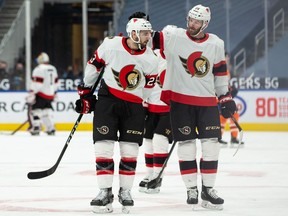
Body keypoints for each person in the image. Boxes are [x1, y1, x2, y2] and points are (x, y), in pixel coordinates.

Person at [151, 4, 237, 210]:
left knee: (211, 146)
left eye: (197, 21)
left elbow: (219, 73)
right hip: (181, 103)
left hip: (207, 103)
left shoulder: (216, 43)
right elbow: (149, 39)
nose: (192, 24)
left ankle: (208, 189)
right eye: (190, 20)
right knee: (186, 145)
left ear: (205, 24)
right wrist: (137, 29)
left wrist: (224, 96)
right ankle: (191, 189)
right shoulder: (174, 36)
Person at [74, 18, 158, 213]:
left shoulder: (151, 59)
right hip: (108, 102)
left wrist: (138, 102)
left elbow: (148, 87)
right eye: (145, 33)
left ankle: (125, 191)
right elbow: (94, 66)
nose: (148, 36)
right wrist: (86, 92)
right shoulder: (111, 45)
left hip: (133, 106)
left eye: (149, 33)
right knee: (103, 147)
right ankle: (104, 192)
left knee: (130, 151)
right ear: (134, 33)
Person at [138, 48, 173, 194]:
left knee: (159, 141)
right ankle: (150, 173)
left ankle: (158, 177)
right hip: (151, 109)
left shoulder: (175, 57)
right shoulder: (150, 55)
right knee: (148, 141)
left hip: (169, 111)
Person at [26, 52, 58, 136]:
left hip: (41, 93)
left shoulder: (39, 68)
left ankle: (36, 127)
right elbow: (56, 82)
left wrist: (32, 92)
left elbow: (37, 83)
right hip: (50, 94)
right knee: (46, 111)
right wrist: (54, 92)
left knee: (35, 110)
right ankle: (51, 128)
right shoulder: (53, 68)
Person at [218, 52, 244, 145]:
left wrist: (231, 88)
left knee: (232, 114)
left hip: (223, 96)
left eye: (228, 57)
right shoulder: (218, 67)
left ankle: (232, 137)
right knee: (223, 116)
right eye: (226, 56)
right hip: (219, 97)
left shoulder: (226, 69)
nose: (227, 58)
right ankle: (219, 137)